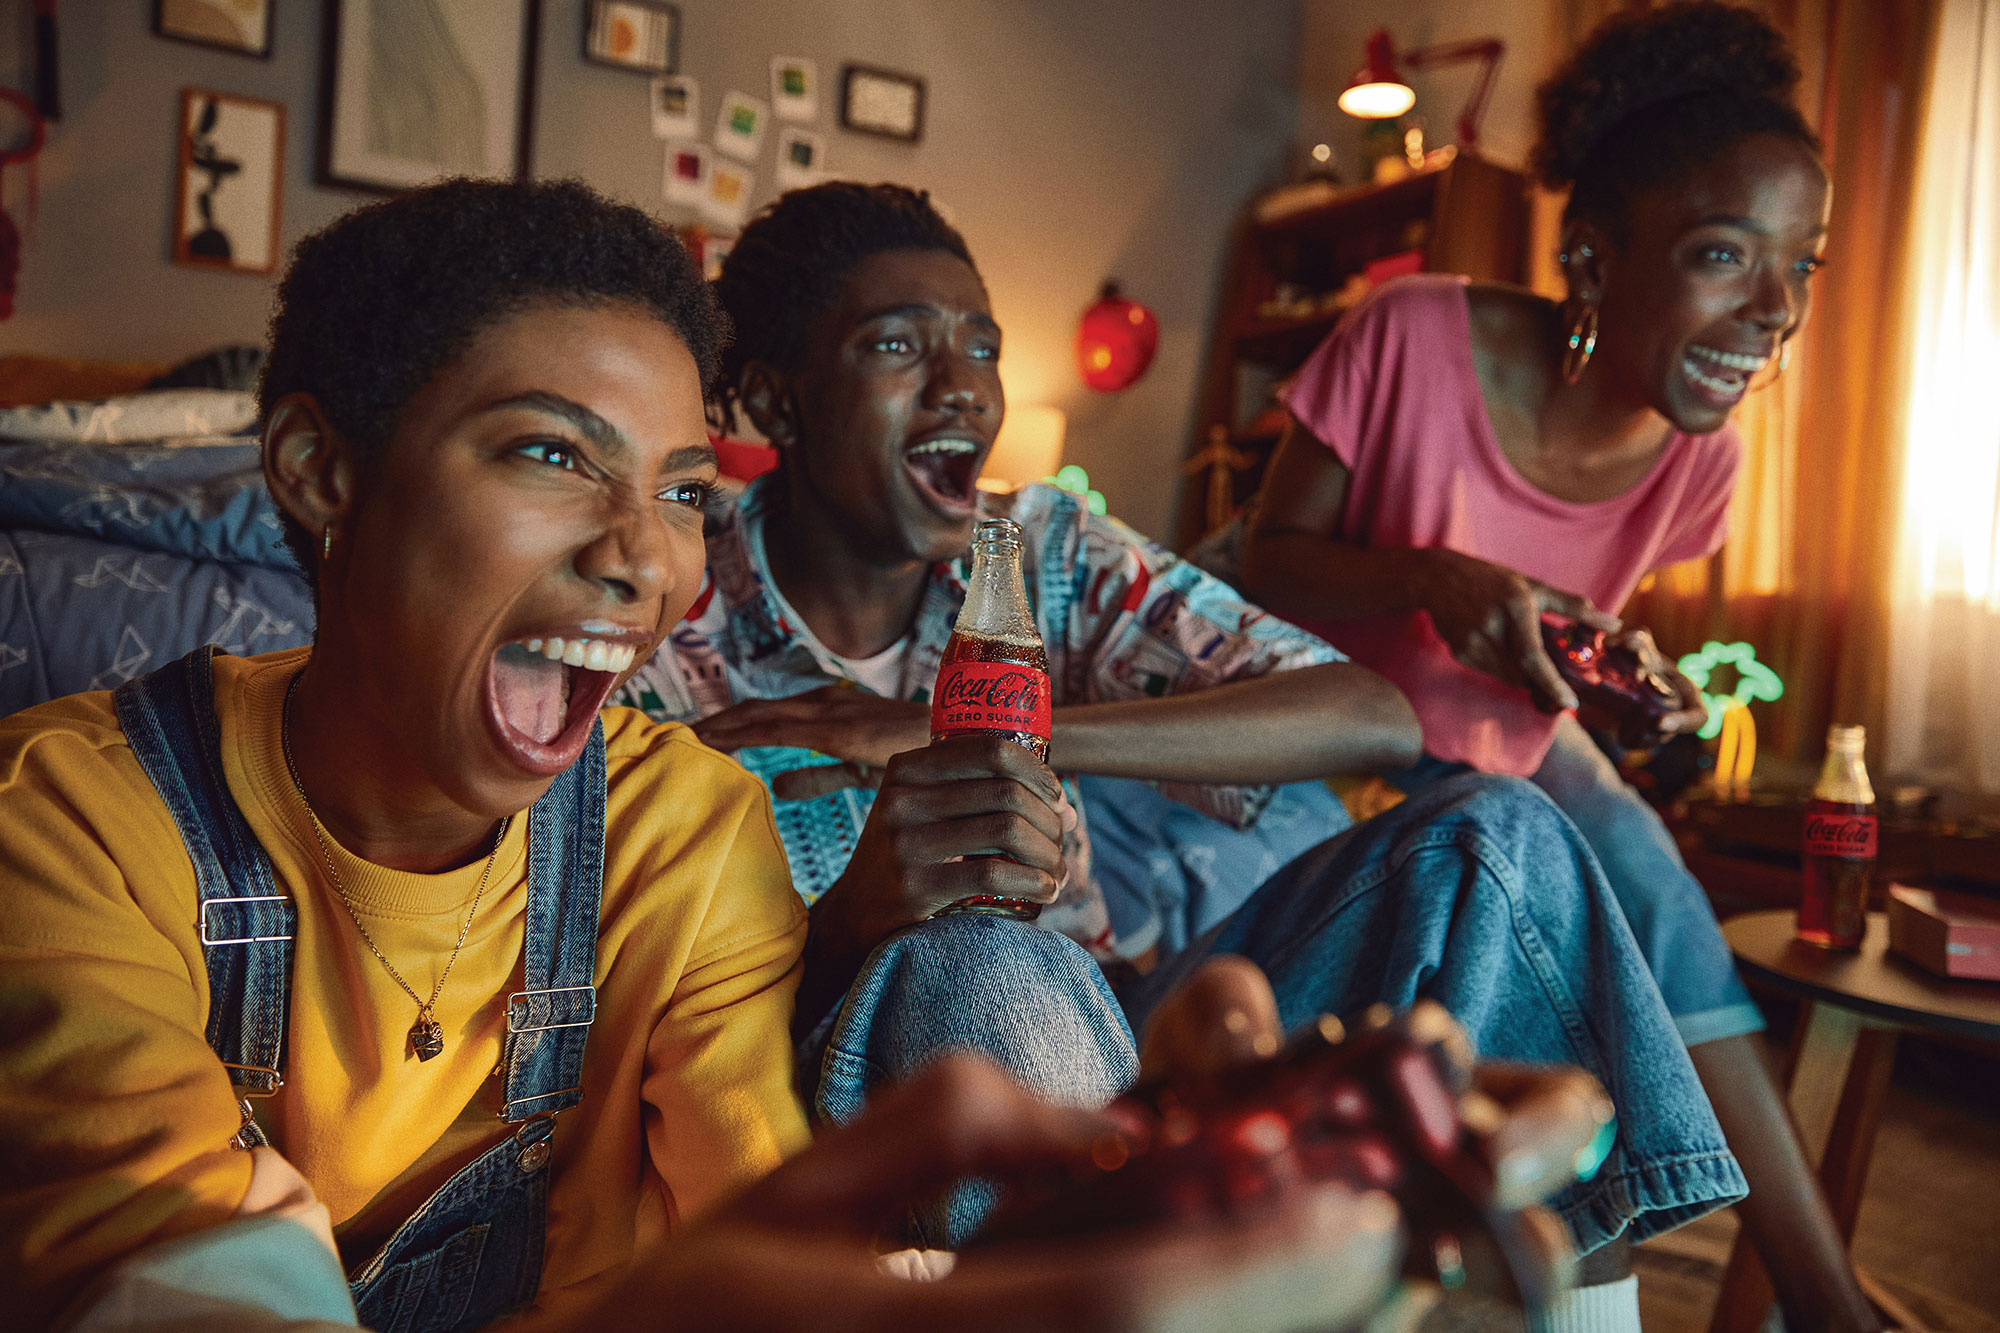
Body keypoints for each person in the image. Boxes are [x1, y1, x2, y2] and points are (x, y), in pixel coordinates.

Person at [0, 179, 1583, 1333]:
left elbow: (757, 1205)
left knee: (1521, 827)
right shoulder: (75, 821)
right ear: (320, 473)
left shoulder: (678, 823)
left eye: (684, 490)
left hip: (1089, 987)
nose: (641, 555)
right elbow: (179, 1281)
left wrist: (1086, 1232)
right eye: (552, 454)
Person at [619, 179, 1756, 1330]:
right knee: (977, 955)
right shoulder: (663, 602)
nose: (962, 382)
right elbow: (642, 1005)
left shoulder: (1042, 548)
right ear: (775, 397)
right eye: (896, 345)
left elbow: (1369, 714)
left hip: (1129, 1039)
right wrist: (853, 917)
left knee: (1494, 834)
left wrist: (985, 730)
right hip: (886, 1072)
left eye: (981, 344)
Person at [1228, 5, 1875, 1329]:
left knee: (1649, 873)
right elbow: (1257, 565)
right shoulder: (1408, 336)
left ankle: (1828, 1305)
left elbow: (1551, 636)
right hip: (1311, 720)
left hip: (1494, 735)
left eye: (1801, 266)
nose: (1775, 311)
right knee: (1596, 867)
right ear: (1592, 256)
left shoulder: (1704, 463)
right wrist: (1432, 575)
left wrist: (1620, 670)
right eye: (1721, 255)